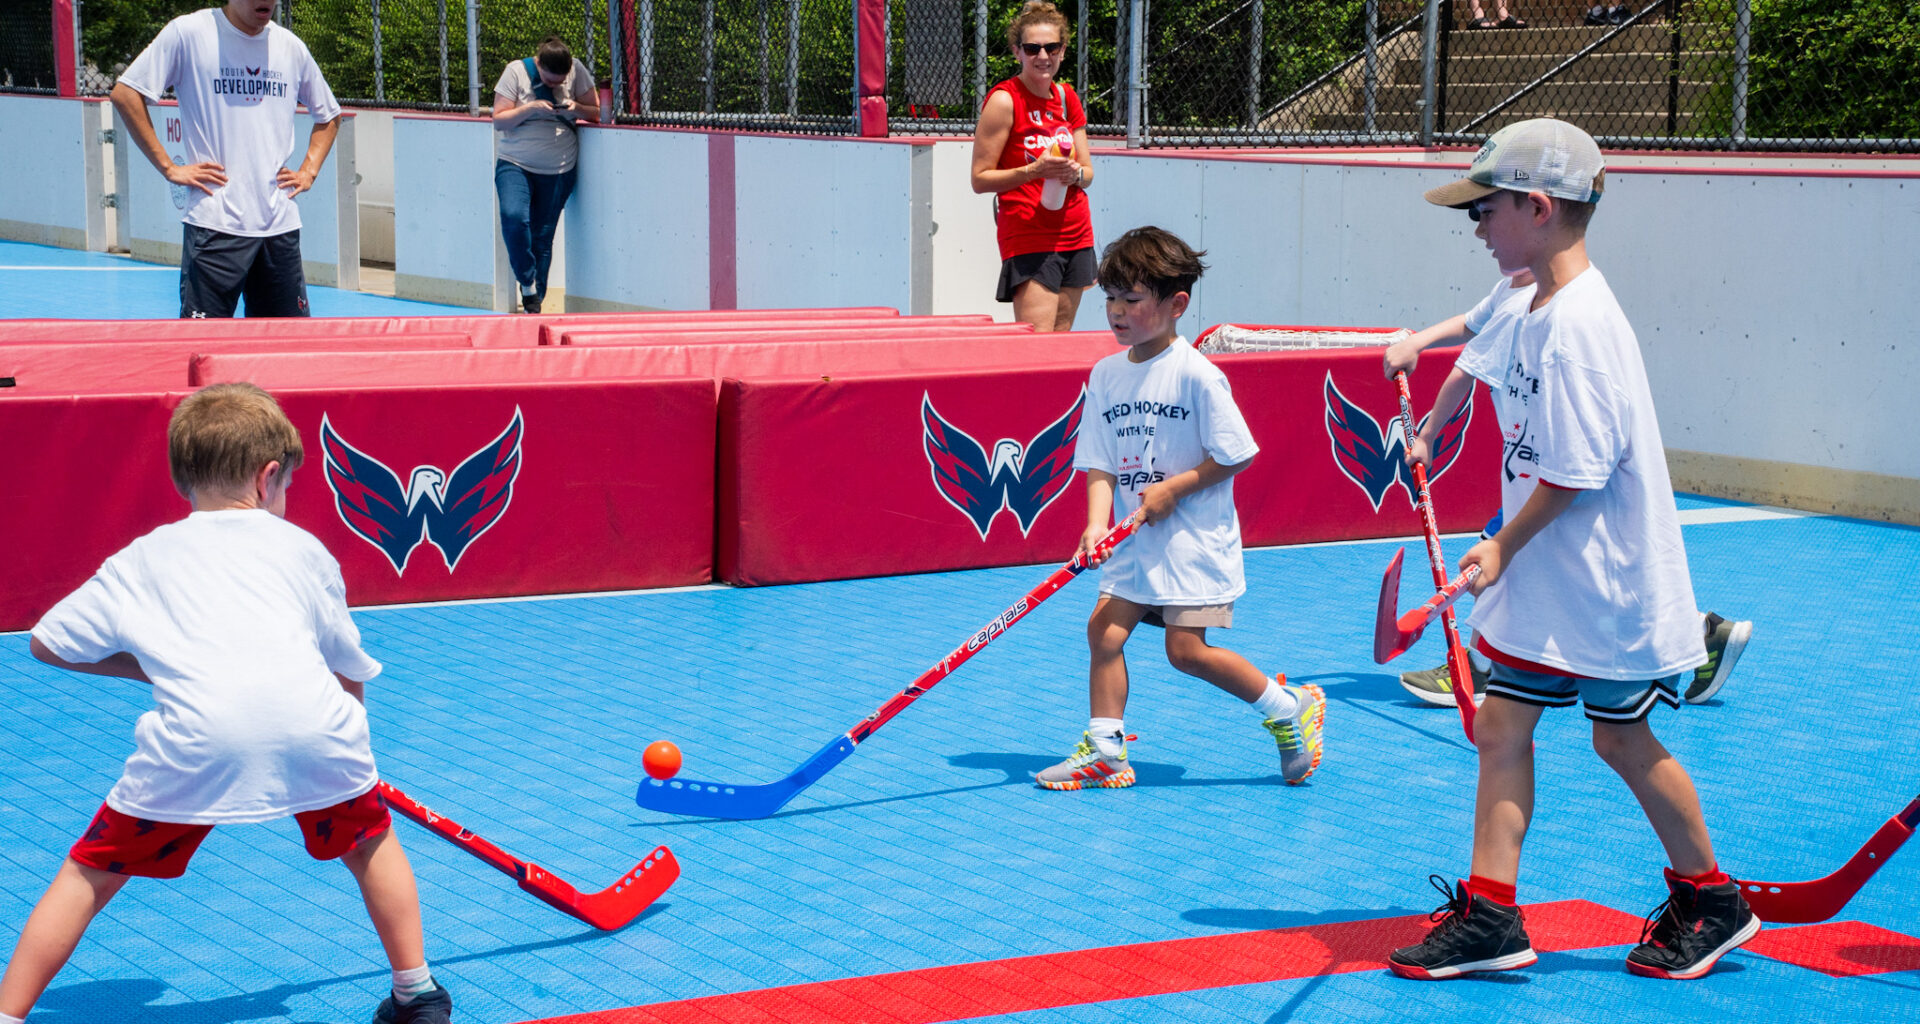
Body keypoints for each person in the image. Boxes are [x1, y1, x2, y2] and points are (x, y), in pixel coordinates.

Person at [1385, 119, 1757, 982]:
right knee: (1502, 726)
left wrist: (1500, 546)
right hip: (1553, 579)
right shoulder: (1526, 303)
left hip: (1602, 586)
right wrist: (1449, 444)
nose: (1475, 224)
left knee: (1621, 740)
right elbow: (1484, 381)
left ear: (1539, 209)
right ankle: (1492, 915)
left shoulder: (1580, 327)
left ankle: (1711, 898)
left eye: (1487, 207)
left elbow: (1579, 472)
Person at [0, 384, 454, 1024]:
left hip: (196, 742)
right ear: (269, 478)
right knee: (372, 842)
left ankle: (8, 1015)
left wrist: (152, 669)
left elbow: (47, 643)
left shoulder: (144, 556)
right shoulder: (302, 549)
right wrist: (355, 755)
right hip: (318, 733)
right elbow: (346, 664)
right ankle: (417, 994)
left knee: (89, 875)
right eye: (290, 485)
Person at [1035, 226, 1326, 791]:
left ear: (1176, 305)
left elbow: (1236, 453)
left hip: (1193, 542)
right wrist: (1096, 523)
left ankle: (1289, 707)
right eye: (1110, 299)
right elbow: (1099, 462)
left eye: (1132, 299)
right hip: (1130, 540)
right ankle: (1106, 752)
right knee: (1104, 633)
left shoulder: (1197, 374)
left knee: (1186, 652)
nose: (1117, 312)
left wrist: (1175, 489)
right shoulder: (1106, 375)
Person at [1383, 279, 1754, 709]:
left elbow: (1464, 371)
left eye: (1488, 212)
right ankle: (1704, 632)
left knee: (1500, 567)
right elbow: (1469, 323)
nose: (1481, 229)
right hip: (1534, 474)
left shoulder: (1534, 308)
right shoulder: (1514, 290)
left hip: (1554, 476)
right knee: (1573, 584)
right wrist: (1420, 342)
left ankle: (1479, 671)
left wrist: (1427, 435)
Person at [108, 2, 342, 319]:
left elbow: (329, 116)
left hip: (278, 229)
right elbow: (126, 94)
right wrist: (168, 167)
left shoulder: (290, 47)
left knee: (285, 345)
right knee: (204, 344)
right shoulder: (190, 33)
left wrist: (309, 171)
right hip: (214, 224)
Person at [970, 2, 1096, 333]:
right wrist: (1033, 171)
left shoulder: (1067, 97)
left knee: (1062, 338)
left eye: (1051, 47)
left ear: (1063, 50)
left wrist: (1074, 175)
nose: (1043, 56)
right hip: (1028, 233)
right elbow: (980, 180)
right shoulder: (1004, 100)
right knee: (1039, 344)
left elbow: (1088, 172)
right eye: (1032, 48)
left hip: (1075, 230)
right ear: (1017, 52)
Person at [492, 35, 598, 314]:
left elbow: (598, 112)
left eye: (560, 82)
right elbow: (499, 120)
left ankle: (533, 303)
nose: (555, 86)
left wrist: (577, 109)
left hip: (558, 168)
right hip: (515, 162)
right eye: (550, 81)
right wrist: (529, 109)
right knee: (514, 218)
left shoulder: (577, 70)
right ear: (538, 64)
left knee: (542, 236)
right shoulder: (515, 71)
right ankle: (527, 281)